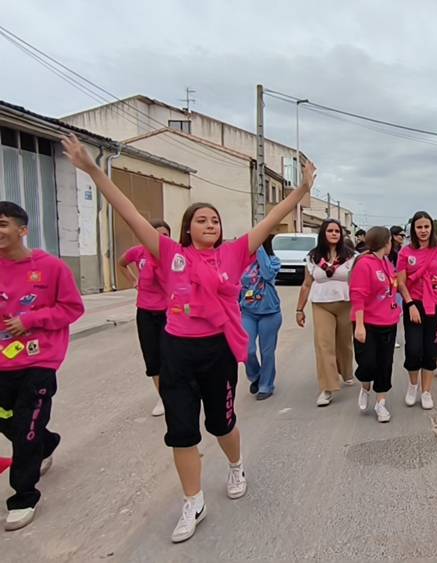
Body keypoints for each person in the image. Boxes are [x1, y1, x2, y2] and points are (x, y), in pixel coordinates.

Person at [62, 133, 316, 543]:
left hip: (217, 351)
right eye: (202, 219)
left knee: (222, 423)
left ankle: (235, 465)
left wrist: (302, 190)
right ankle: (193, 500)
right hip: (176, 350)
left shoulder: (235, 253)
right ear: (187, 228)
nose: (210, 224)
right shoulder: (167, 253)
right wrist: (93, 169)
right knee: (182, 430)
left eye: (214, 220)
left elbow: (271, 219)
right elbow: (128, 213)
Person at [0, 201, 85, 531]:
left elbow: (72, 308)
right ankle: (45, 443)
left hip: (39, 360)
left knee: (25, 426)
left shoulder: (50, 268)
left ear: (22, 230)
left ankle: (23, 495)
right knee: (9, 420)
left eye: (3, 224)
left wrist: (31, 319)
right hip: (3, 362)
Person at [397, 211, 437, 410]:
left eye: (426, 226)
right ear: (413, 230)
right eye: (419, 227)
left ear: (432, 228)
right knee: (414, 349)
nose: (423, 231)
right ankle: (413, 385)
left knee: (431, 350)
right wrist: (410, 304)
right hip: (413, 305)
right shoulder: (406, 253)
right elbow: (401, 282)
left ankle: (426, 391)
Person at [294, 219, 357, 407]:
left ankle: (346, 372)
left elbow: (357, 282)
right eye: (330, 230)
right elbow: (306, 284)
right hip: (321, 304)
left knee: (344, 343)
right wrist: (299, 309)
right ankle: (328, 388)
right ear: (323, 233)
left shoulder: (351, 256)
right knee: (324, 345)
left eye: (337, 231)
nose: (334, 233)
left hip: (346, 304)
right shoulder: (313, 257)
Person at [118, 219, 172, 416]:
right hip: (145, 312)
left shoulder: (172, 255)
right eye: (156, 234)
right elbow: (122, 263)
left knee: (171, 356)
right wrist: (134, 280)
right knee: (152, 358)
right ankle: (163, 397)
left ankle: (178, 391)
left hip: (169, 312)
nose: (160, 239)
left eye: (165, 235)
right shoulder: (138, 252)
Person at [349, 227, 401, 423]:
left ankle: (381, 402)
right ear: (385, 242)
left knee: (385, 363)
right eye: (390, 241)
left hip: (388, 321)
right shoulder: (365, 264)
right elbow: (358, 295)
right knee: (368, 362)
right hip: (367, 322)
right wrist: (360, 325)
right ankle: (365, 386)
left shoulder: (386, 262)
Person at [240, 235, 282, 401]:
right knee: (247, 349)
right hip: (247, 312)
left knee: (267, 351)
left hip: (270, 313)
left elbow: (267, 274)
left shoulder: (274, 260)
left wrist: (259, 250)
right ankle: (256, 376)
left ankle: (266, 385)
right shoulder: (243, 263)